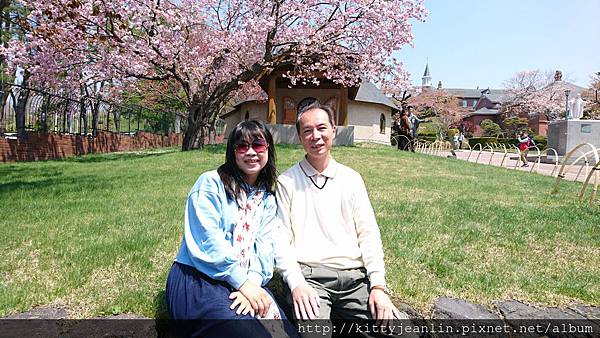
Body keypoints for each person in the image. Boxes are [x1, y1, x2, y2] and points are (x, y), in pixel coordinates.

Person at [274, 99, 404, 337]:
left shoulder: (352, 179)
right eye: (308, 131)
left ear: (334, 130)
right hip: (310, 276)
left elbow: (369, 234)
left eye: (322, 128)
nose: (316, 136)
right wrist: (296, 283)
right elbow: (280, 240)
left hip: (355, 278)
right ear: (300, 137)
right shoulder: (287, 182)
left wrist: (378, 286)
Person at [165, 119, 297, 338]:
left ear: (269, 150)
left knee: (288, 334)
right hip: (199, 278)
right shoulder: (210, 184)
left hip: (244, 281)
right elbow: (208, 241)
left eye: (259, 145)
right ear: (232, 152)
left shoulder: (266, 199)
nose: (251, 152)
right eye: (242, 146)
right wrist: (242, 282)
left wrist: (251, 286)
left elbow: (265, 249)